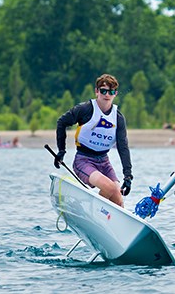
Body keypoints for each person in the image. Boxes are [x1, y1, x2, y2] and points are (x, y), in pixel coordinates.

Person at [55, 74, 133, 207]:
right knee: (111, 188)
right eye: (103, 90)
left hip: (104, 162)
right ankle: (90, 210)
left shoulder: (118, 118)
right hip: (83, 160)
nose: (107, 95)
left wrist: (128, 175)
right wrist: (61, 150)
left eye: (111, 91)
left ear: (115, 94)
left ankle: (102, 219)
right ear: (96, 91)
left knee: (118, 199)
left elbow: (123, 147)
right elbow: (61, 122)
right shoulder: (85, 109)